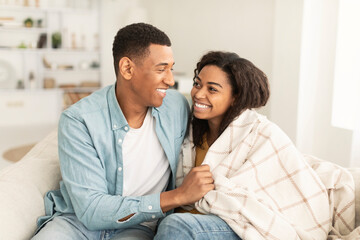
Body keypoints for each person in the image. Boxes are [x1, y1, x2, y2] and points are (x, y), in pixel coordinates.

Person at [32, 23, 214, 240]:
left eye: (171, 68)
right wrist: (177, 197)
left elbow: (224, 120)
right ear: (127, 68)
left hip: (138, 226)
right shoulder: (79, 120)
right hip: (76, 223)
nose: (170, 80)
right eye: (161, 69)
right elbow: (91, 210)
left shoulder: (176, 107)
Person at [154, 51, 357, 240]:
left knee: (176, 226)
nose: (198, 94)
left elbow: (294, 194)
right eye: (197, 84)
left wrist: (217, 191)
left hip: (240, 222)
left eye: (212, 89)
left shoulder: (261, 133)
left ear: (235, 97)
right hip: (193, 216)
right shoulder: (188, 129)